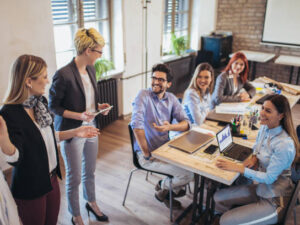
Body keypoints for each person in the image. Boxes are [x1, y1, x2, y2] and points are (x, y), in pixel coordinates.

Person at [0, 54, 100, 225]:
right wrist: (3, 138)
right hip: (31, 187)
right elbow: (15, 157)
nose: (47, 81)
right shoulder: (9, 113)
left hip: (52, 179)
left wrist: (76, 131)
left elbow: (48, 137)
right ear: (28, 81)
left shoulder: (40, 102)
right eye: (44, 77)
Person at [49, 28, 111, 225]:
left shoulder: (91, 69)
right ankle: (75, 214)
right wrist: (79, 115)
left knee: (90, 171)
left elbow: (89, 100)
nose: (101, 55)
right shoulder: (63, 74)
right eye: (99, 51)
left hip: (91, 127)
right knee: (74, 177)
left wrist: (99, 107)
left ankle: (91, 202)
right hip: (73, 131)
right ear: (88, 50)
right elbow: (53, 106)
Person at [213, 94, 300, 225]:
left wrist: (240, 169)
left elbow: (269, 178)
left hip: (275, 199)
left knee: (226, 220)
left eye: (268, 111)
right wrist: (254, 157)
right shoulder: (265, 127)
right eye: (263, 108)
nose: (262, 113)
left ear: (281, 116)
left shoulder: (284, 144)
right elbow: (257, 145)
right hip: (261, 189)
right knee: (218, 197)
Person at [131, 63, 194, 209]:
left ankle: (165, 191)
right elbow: (136, 126)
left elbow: (187, 123)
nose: (156, 82)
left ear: (169, 84)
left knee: (193, 167)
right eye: (154, 78)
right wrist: (146, 154)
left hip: (166, 149)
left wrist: (170, 127)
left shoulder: (171, 98)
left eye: (161, 80)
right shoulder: (143, 95)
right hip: (147, 154)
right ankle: (163, 186)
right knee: (188, 175)